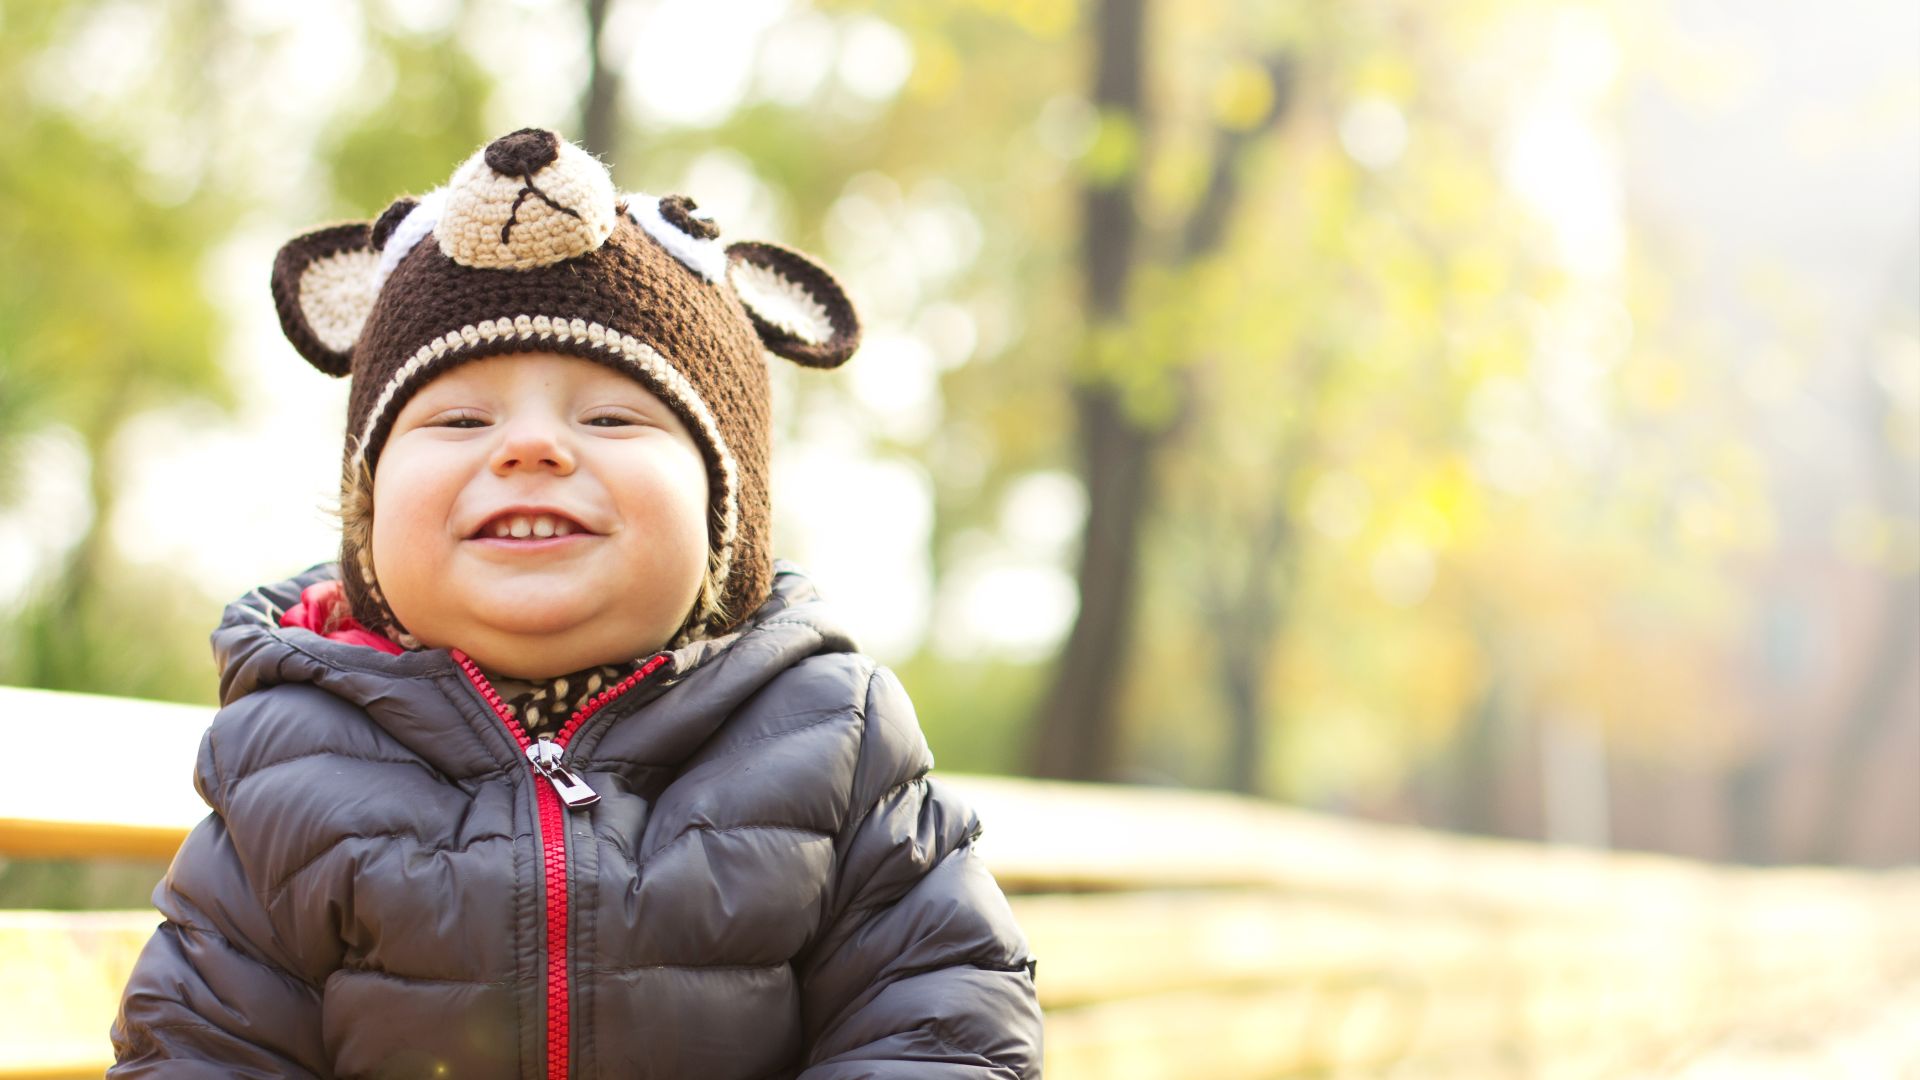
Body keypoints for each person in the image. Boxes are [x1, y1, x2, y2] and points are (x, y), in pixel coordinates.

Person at [109, 128, 1043, 1079]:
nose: (530, 448)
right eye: (461, 419)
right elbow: (203, 1045)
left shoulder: (831, 740)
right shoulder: (291, 764)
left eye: (610, 418)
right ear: (369, 519)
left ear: (727, 527)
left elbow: (938, 1021)